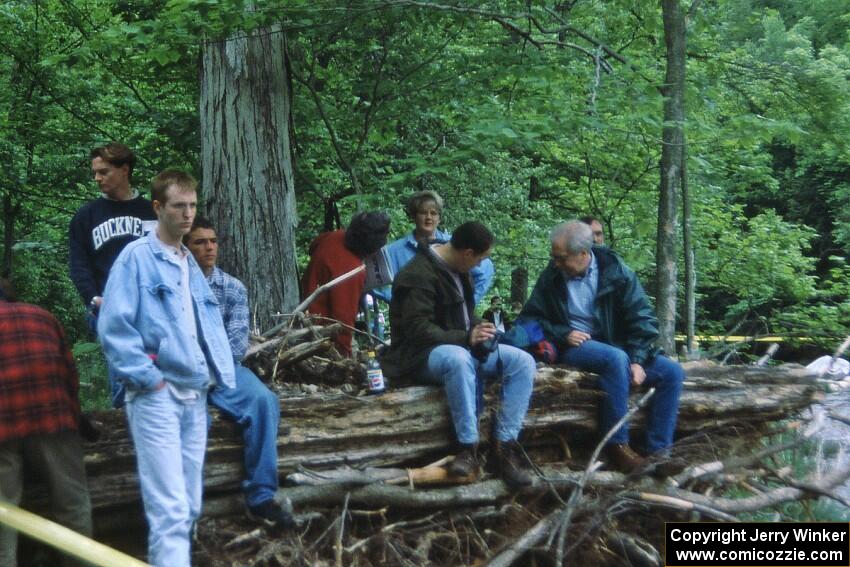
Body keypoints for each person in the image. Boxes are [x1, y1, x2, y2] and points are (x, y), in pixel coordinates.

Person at [98, 170, 235, 567]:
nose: (188, 213)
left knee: (190, 502)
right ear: (158, 207)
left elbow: (204, 326)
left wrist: (216, 377)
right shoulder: (137, 257)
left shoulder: (187, 259)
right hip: (156, 395)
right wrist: (149, 380)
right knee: (170, 508)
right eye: (179, 206)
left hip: (194, 392)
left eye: (192, 205)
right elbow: (114, 326)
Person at [381, 222, 536, 488]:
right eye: (480, 259)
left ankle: (505, 446)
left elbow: (463, 315)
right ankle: (467, 448)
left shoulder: (458, 270)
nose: (479, 266)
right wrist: (466, 337)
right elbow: (417, 329)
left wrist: (479, 328)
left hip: (456, 347)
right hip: (419, 357)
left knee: (522, 361)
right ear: (467, 252)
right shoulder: (417, 274)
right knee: (458, 359)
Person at [521, 220, 684, 474]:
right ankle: (618, 447)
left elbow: (644, 320)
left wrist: (639, 359)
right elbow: (527, 321)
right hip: (574, 347)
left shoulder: (617, 272)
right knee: (614, 359)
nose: (556, 263)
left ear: (584, 253)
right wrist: (563, 333)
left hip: (615, 346)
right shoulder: (552, 277)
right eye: (554, 257)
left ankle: (659, 453)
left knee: (672, 373)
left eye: (561, 257)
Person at [184, 217, 292, 527]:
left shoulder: (232, 287)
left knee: (263, 401)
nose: (209, 248)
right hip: (184, 370)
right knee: (187, 419)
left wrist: (211, 371)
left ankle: (261, 496)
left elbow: (234, 344)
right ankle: (185, 508)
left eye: (213, 241)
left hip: (223, 368)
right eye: (200, 242)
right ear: (186, 246)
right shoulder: (175, 285)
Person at [0, 278, 93, 567]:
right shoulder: (43, 317)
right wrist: (77, 420)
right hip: (54, 419)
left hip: (3, 426)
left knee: (4, 513)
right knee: (72, 503)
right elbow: (70, 378)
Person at [69, 142, 157, 319]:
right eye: (95, 172)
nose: (97, 178)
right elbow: (79, 264)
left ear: (124, 170)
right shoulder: (86, 216)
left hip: (152, 308)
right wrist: (93, 298)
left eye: (103, 172)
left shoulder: (153, 212)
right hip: (107, 309)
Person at [377, 190, 495, 305]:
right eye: (423, 213)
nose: (429, 217)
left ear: (439, 218)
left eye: (433, 213)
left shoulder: (454, 245)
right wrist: (398, 302)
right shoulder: (395, 251)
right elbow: (376, 284)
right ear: (414, 216)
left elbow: (486, 269)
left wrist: (467, 304)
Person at [301, 211, 391, 356]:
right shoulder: (351, 270)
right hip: (321, 332)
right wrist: (345, 354)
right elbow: (343, 319)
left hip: (307, 310)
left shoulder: (334, 236)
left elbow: (313, 246)